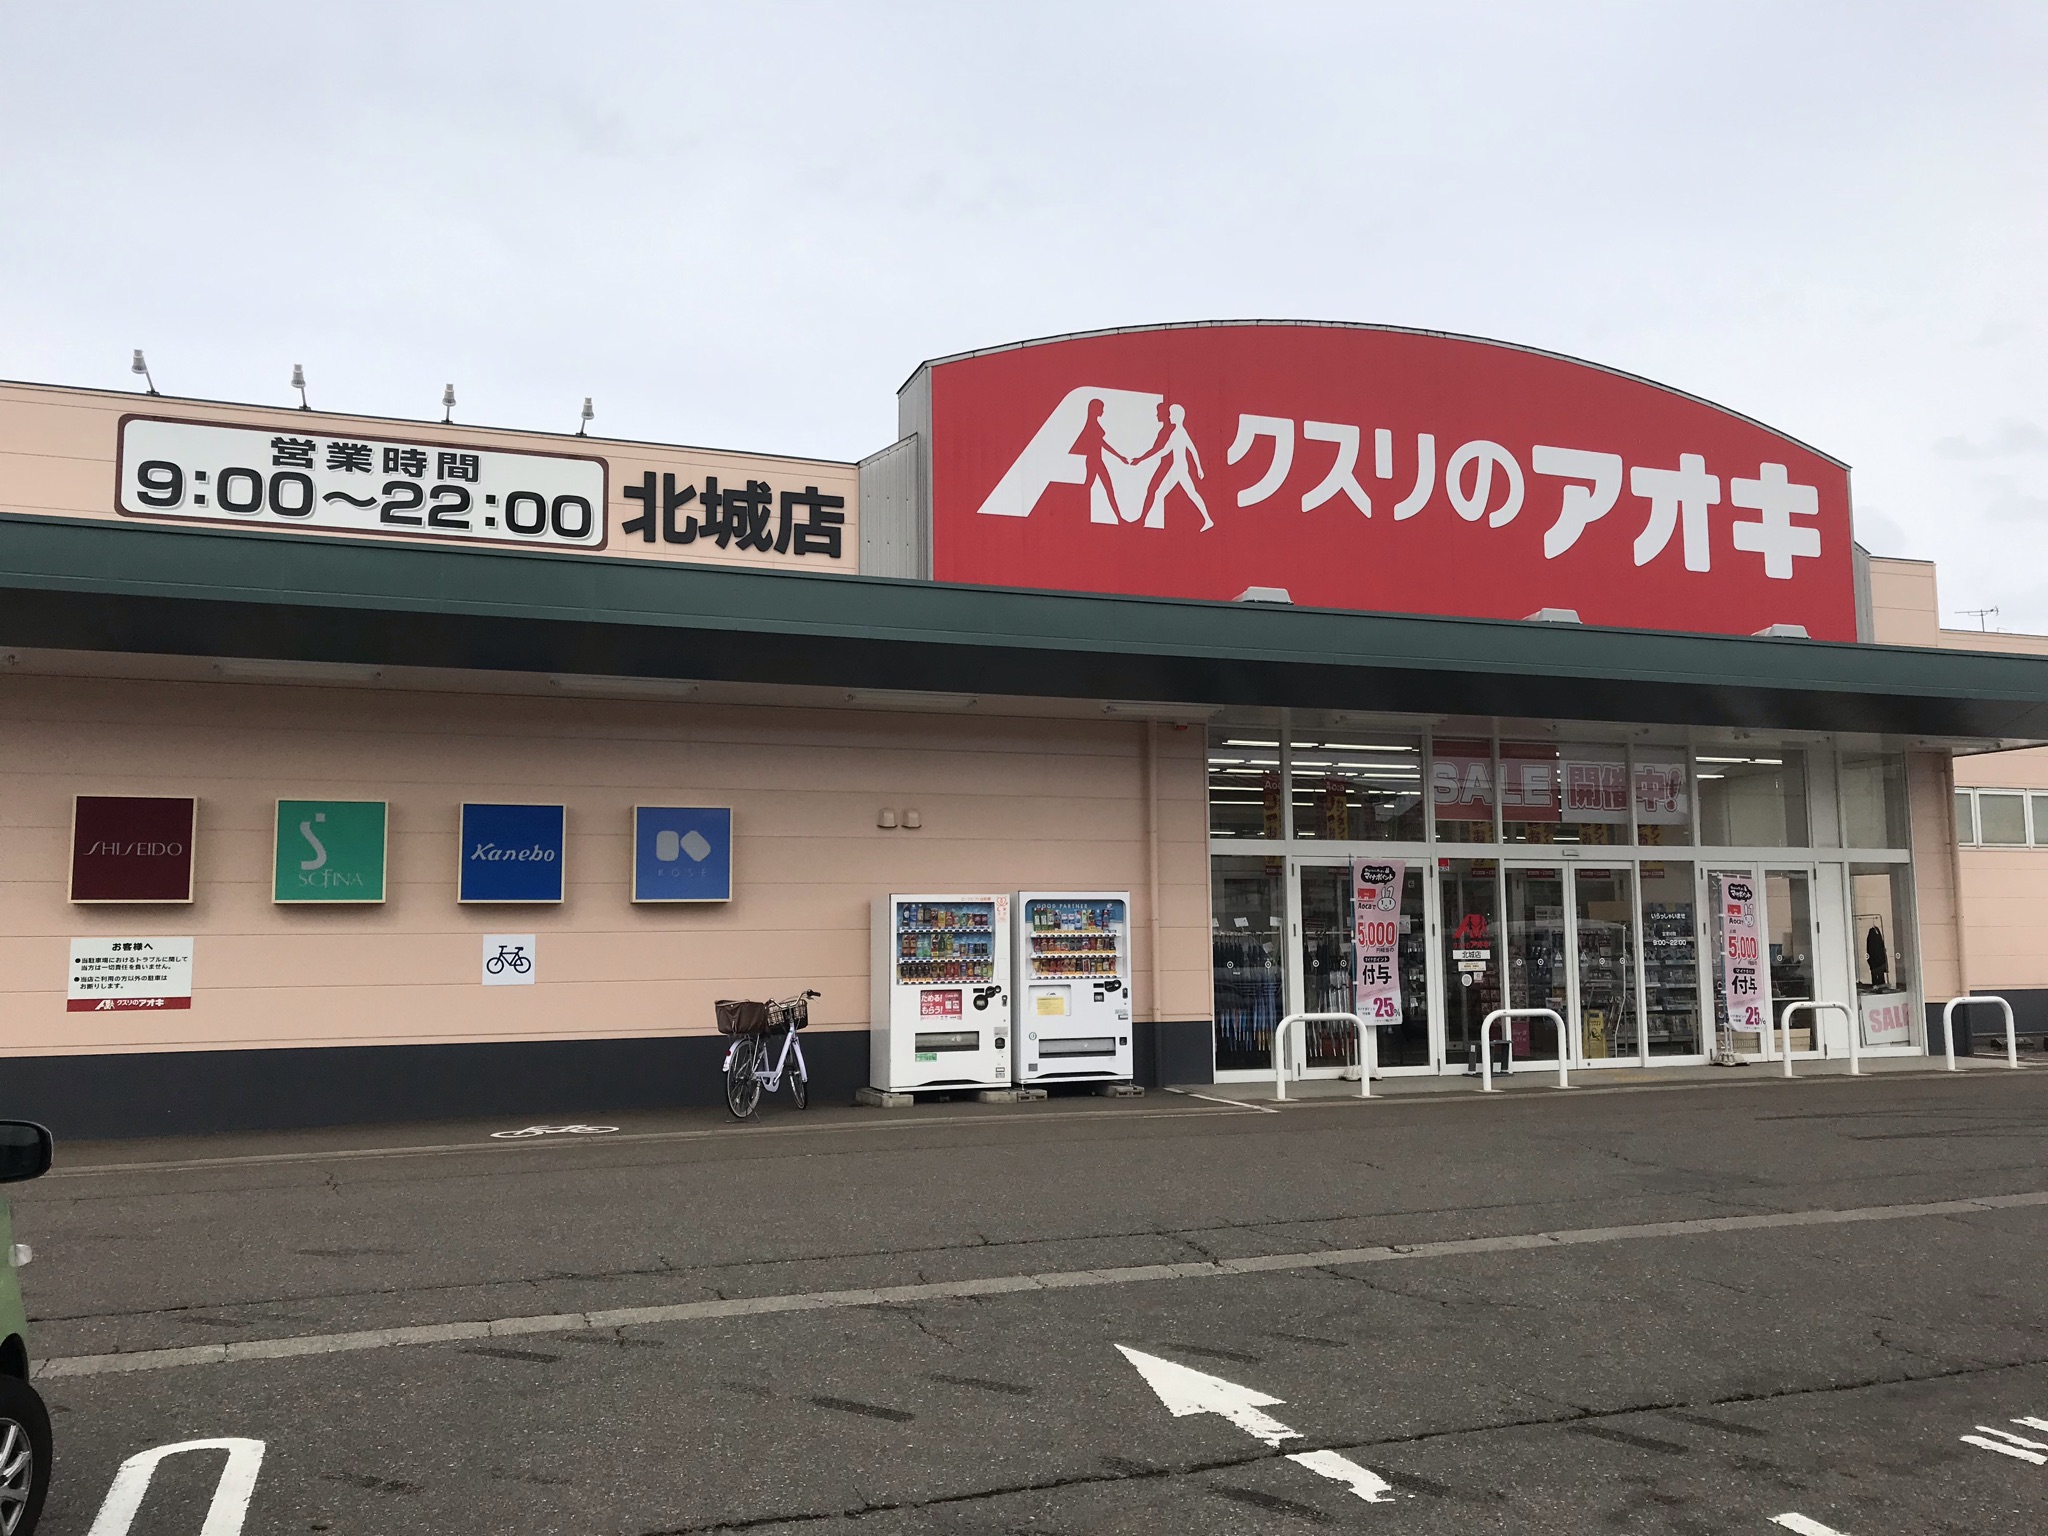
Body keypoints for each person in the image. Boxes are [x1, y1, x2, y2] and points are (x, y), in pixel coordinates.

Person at [1139, 402, 1211, 530]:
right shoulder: (1176, 432)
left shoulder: (1179, 432)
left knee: (1166, 492)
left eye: (1171, 415)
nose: (1169, 417)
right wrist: (1143, 459)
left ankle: (1208, 520)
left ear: (1177, 416)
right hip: (1178, 467)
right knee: (1188, 493)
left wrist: (1199, 468)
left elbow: (1192, 450)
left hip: (1180, 468)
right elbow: (1166, 450)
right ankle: (1208, 519)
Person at [1866, 924, 1889, 988]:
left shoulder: (1873, 937)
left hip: (1877, 963)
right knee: (1878, 977)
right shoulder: (1874, 936)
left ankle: (1879, 987)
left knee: (1877, 977)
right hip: (1877, 962)